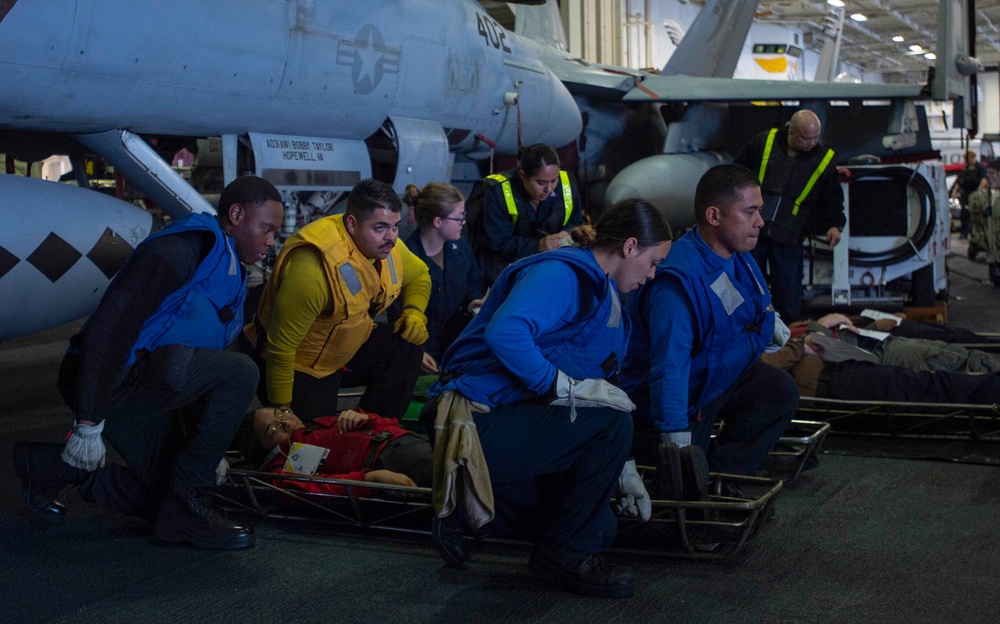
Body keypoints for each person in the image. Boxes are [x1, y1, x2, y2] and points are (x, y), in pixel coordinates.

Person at [14, 175, 284, 550]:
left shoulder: (229, 268)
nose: (271, 242)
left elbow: (194, 368)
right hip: (108, 381)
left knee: (169, 496)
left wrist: (207, 453)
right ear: (236, 214)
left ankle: (50, 467)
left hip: (147, 385)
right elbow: (110, 327)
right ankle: (188, 507)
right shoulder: (185, 248)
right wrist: (88, 422)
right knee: (242, 373)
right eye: (267, 229)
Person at [427, 198, 673, 599]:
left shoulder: (602, 289)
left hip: (508, 415)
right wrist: (558, 386)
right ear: (630, 247)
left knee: (601, 526)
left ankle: (471, 513)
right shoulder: (562, 274)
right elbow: (506, 333)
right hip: (473, 418)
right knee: (610, 430)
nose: (653, 274)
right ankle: (561, 557)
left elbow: (600, 385)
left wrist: (623, 467)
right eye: (653, 261)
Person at [621, 164, 799, 486]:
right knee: (682, 495)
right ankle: (697, 481)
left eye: (759, 210)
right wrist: (674, 438)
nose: (760, 221)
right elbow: (669, 369)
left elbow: (744, 305)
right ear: (714, 216)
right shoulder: (675, 286)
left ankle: (723, 478)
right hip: (676, 397)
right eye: (749, 212)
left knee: (778, 391)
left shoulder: (734, 253)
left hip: (713, 376)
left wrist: (768, 323)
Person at [240, 179, 432, 422]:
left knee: (406, 347)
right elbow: (281, 349)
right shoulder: (312, 269)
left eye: (395, 227)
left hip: (345, 345)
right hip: (300, 364)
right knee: (315, 447)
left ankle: (373, 430)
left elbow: (420, 276)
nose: (392, 237)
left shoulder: (388, 248)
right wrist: (283, 411)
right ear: (352, 224)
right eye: (381, 228)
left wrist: (414, 312)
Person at [735, 109, 846, 322]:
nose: (811, 143)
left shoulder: (823, 159)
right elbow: (737, 171)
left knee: (788, 289)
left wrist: (835, 225)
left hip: (789, 233)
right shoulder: (765, 141)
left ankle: (789, 332)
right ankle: (746, 326)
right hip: (752, 231)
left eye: (815, 137)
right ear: (791, 132)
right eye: (806, 138)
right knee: (747, 282)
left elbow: (832, 197)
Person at [391, 182, 485, 374]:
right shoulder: (406, 259)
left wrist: (474, 301)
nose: (464, 222)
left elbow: (473, 282)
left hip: (453, 345)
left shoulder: (459, 247)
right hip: (420, 351)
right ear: (437, 222)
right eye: (459, 218)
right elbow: (394, 316)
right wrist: (414, 352)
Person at [237, 406, 432, 495]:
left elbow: (390, 424)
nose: (287, 422)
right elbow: (322, 487)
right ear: (263, 448)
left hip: (407, 440)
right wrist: (369, 480)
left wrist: (365, 418)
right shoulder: (281, 468)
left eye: (281, 413)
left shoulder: (315, 424)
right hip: (389, 462)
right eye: (274, 430)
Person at [761, 333, 1000, 406]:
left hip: (836, 372)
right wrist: (800, 346)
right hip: (830, 385)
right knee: (924, 386)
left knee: (925, 380)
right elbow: (764, 365)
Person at [471, 143, 584, 285]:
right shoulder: (497, 191)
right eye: (541, 182)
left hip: (551, 266)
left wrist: (567, 233)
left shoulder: (566, 184)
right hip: (505, 270)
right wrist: (538, 245)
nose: (548, 189)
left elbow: (577, 221)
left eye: (554, 181)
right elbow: (497, 242)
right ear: (522, 175)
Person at [950, 149, 988, 240]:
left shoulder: (980, 167)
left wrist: (978, 191)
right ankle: (964, 232)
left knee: (976, 213)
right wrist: (955, 191)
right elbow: (959, 180)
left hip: (975, 193)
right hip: (966, 193)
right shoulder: (965, 169)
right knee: (964, 213)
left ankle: (977, 233)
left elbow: (984, 180)